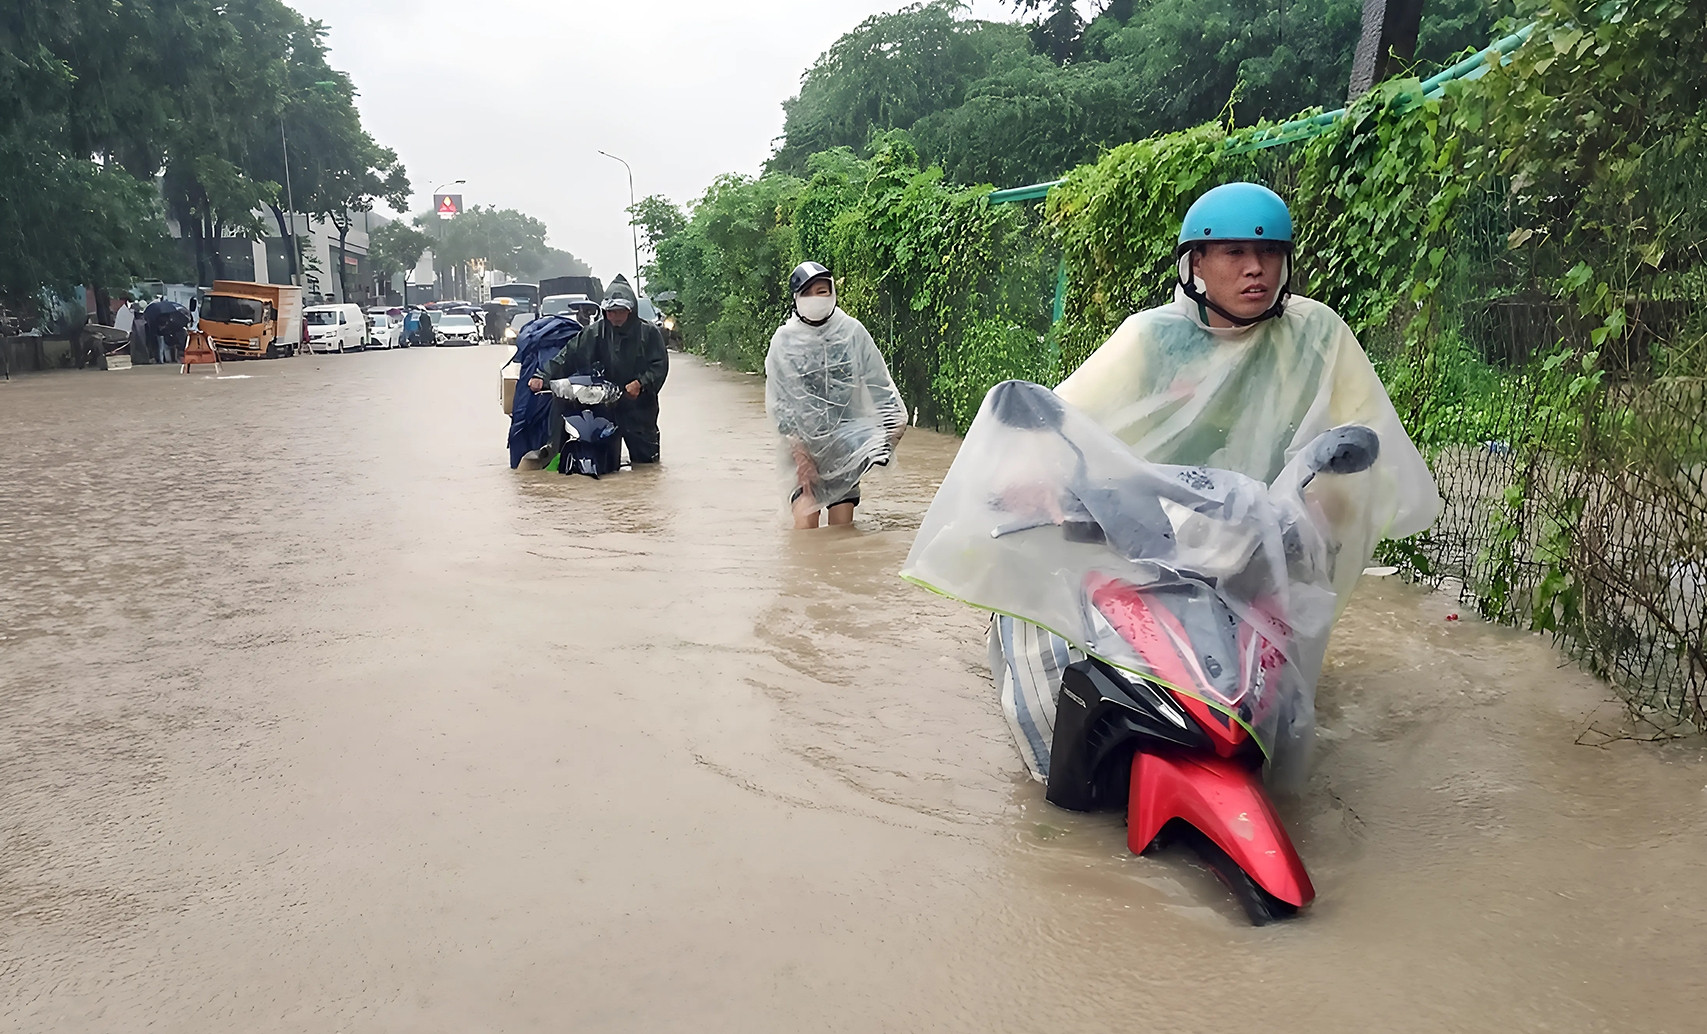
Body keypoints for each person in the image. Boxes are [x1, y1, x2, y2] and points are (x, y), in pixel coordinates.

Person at [988, 181, 1440, 783]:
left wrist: (1324, 508)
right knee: (1054, 650)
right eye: (1232, 253)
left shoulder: (1318, 335)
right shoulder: (1153, 338)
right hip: (1153, 537)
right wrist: (1033, 479)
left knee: (1292, 693)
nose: (1256, 269)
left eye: (1270, 254)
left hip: (1259, 538)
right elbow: (1074, 411)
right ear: (1195, 263)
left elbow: (1360, 428)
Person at [765, 261, 907, 529]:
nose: (817, 299)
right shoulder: (784, 341)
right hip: (800, 446)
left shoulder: (852, 332)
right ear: (796, 299)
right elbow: (781, 403)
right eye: (809, 293)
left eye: (823, 291)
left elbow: (879, 383)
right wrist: (801, 456)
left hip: (843, 446)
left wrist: (891, 429)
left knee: (842, 532)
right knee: (806, 526)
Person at [527, 276, 668, 465]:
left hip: (640, 409)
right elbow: (568, 355)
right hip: (605, 407)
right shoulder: (594, 333)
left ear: (630, 311)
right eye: (611, 312)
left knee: (646, 467)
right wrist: (542, 376)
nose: (615, 316)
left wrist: (641, 384)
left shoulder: (649, 333)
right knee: (605, 464)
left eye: (620, 311)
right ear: (604, 311)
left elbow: (659, 366)